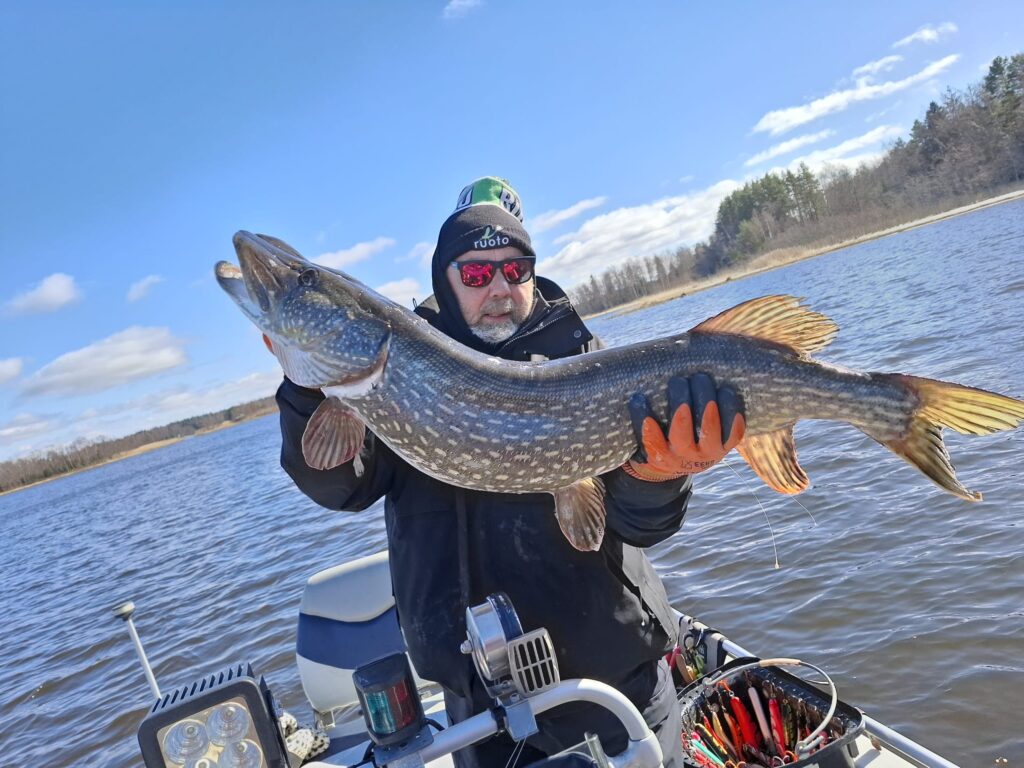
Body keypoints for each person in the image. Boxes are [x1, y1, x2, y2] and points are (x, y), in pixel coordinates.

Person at [272, 177, 745, 767]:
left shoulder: (587, 360)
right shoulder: (395, 379)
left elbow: (640, 526)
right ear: (445, 281)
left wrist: (662, 476)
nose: (498, 286)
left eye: (515, 269)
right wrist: (305, 387)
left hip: (611, 684)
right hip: (477, 709)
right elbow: (338, 484)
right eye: (475, 273)